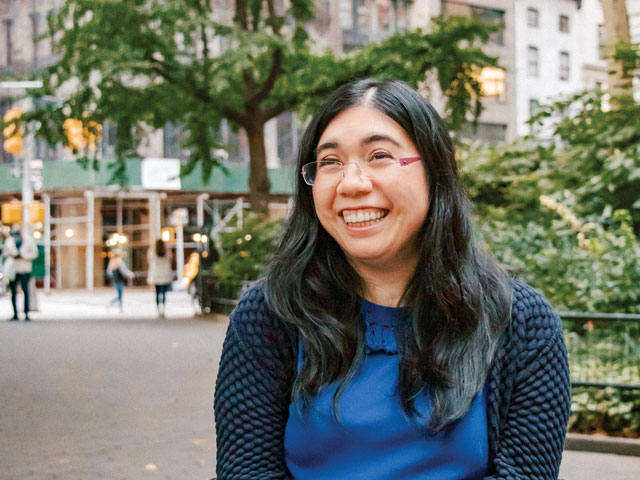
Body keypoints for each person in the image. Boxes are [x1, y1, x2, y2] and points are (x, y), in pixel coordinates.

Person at [214, 79, 571, 480]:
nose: (351, 183)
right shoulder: (270, 314)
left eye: (379, 155)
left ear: (435, 171)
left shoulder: (521, 323)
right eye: (330, 162)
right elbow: (246, 470)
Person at [2, 225, 38, 321]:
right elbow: (4, 253)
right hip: (13, 269)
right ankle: (15, 314)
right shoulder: (9, 241)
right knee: (13, 292)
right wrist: (12, 254)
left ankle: (26, 313)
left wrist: (23, 255)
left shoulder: (29, 240)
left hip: (24, 268)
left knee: (26, 291)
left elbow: (34, 253)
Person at [147, 238, 173, 318]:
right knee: (164, 293)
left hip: (156, 274)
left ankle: (158, 309)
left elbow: (149, 260)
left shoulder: (152, 251)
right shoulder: (167, 251)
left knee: (157, 293)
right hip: (165, 273)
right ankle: (163, 309)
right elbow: (171, 259)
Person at [106, 247, 135, 312]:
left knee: (120, 295)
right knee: (120, 295)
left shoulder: (111, 262)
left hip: (115, 280)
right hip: (119, 280)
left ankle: (119, 307)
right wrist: (131, 275)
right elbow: (124, 271)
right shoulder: (120, 262)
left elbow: (109, 272)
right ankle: (114, 305)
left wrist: (113, 277)